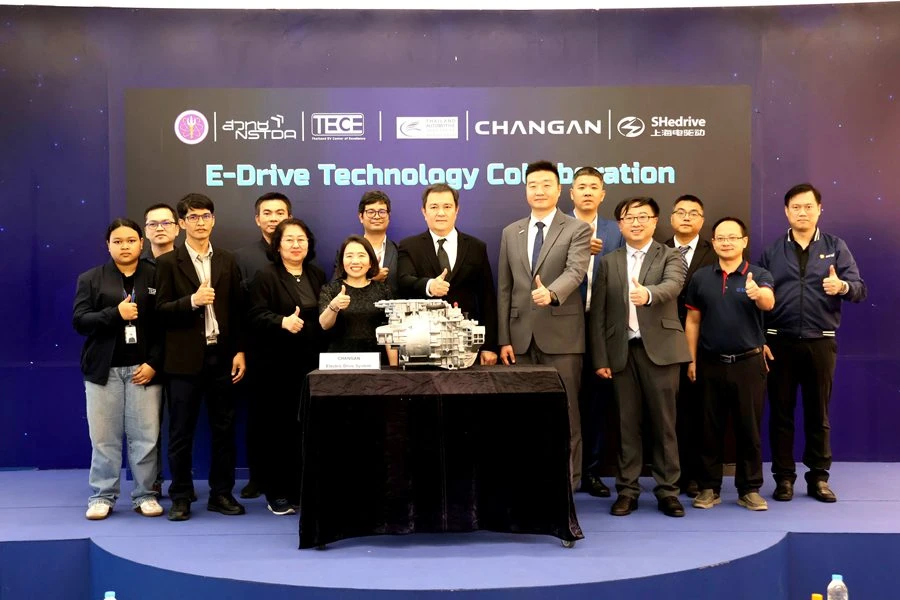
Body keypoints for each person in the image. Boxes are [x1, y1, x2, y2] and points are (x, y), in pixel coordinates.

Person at [760, 183, 866, 503]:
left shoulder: (836, 246)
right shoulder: (772, 251)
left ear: (819, 209)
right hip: (779, 342)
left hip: (821, 342)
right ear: (786, 212)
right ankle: (784, 478)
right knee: (781, 413)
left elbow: (860, 289)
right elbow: (759, 300)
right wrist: (760, 339)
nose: (802, 212)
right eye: (796, 207)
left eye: (808, 206)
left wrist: (842, 286)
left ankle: (819, 478)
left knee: (818, 413)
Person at [590, 197, 691, 518]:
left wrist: (648, 294)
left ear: (655, 221)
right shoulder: (609, 261)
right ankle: (627, 491)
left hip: (661, 352)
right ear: (619, 225)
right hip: (621, 353)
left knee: (665, 425)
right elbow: (599, 313)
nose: (636, 222)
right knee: (626, 425)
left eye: (642, 216)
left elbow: (673, 286)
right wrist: (601, 358)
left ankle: (668, 491)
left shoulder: (671, 255)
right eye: (629, 217)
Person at [497, 160, 592, 491]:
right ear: (526, 190)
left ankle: (568, 485)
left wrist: (551, 293)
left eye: (546, 184)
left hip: (562, 338)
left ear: (559, 190)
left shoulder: (577, 229)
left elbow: (576, 271)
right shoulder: (511, 232)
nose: (539, 190)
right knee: (524, 415)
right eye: (533, 185)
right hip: (520, 340)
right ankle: (529, 483)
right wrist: (504, 338)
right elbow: (505, 288)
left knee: (567, 414)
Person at [155, 193, 247, 521]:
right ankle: (180, 496)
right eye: (193, 217)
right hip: (183, 361)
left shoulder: (227, 259)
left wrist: (239, 350)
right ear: (181, 223)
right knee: (181, 432)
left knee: (224, 429)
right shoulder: (168, 263)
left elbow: (237, 309)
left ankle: (221, 494)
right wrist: (192, 301)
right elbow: (159, 311)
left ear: (213, 220)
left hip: (222, 356)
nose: (200, 222)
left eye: (205, 216)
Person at [73, 218, 163, 520]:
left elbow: (167, 326)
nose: (125, 246)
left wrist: (154, 363)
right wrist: (116, 313)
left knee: (146, 438)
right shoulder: (91, 278)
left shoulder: (156, 275)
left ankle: (146, 494)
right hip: (103, 371)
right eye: (118, 241)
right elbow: (80, 321)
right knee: (104, 438)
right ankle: (102, 496)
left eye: (131, 240)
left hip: (144, 369)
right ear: (108, 246)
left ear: (141, 243)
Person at [684, 217, 775, 511]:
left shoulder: (759, 274)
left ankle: (749, 489)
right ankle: (708, 487)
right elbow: (693, 320)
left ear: (744, 241)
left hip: (748, 363)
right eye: (721, 238)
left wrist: (757, 294)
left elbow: (768, 302)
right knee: (708, 427)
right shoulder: (701, 277)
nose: (727, 242)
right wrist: (691, 359)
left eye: (733, 237)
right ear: (713, 242)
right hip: (710, 362)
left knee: (749, 428)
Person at [248, 219, 326, 515]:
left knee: (302, 429)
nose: (296, 245)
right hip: (275, 365)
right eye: (289, 239)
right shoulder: (265, 276)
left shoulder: (317, 274)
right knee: (276, 429)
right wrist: (281, 321)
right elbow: (254, 315)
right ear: (277, 245)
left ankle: (298, 489)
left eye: (301, 239)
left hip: (309, 364)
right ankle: (276, 492)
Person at [569, 166, 625, 498]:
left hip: (602, 325)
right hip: (564, 325)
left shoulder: (615, 231)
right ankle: (565, 470)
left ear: (602, 195)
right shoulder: (559, 227)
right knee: (566, 402)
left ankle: (591, 471)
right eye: (581, 186)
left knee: (596, 404)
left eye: (594, 187)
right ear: (571, 193)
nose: (587, 192)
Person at [397, 183, 498, 364]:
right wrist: (429, 286)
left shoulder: (476, 247)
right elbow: (404, 280)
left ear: (456, 210)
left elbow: (487, 298)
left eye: (447, 206)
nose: (441, 213)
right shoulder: (409, 246)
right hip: (422, 343)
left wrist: (489, 345)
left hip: (467, 345)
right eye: (434, 207)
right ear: (424, 211)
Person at [233, 192, 292, 500]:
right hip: (257, 348)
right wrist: (240, 349)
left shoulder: (300, 254)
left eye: (280, 212)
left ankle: (289, 477)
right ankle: (257, 477)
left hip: (293, 350)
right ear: (257, 219)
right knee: (258, 416)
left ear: (289, 217)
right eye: (267, 213)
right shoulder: (242, 258)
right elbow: (235, 308)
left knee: (289, 417)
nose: (273, 218)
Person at [665, 194, 717, 498]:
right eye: (681, 212)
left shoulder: (715, 253)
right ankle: (674, 474)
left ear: (702, 220)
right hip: (663, 341)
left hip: (704, 341)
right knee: (672, 413)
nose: (686, 217)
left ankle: (697, 474)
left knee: (699, 411)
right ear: (671, 218)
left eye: (693, 213)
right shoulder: (657, 250)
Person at [141, 203, 180, 496]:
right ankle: (151, 482)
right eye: (153, 224)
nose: (160, 228)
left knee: (180, 426)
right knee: (148, 427)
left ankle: (181, 485)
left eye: (166, 223)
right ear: (145, 231)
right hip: (147, 360)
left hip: (182, 357)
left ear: (177, 228)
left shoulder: (188, 263)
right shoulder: (137, 269)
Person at [319, 235, 398, 366]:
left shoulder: (384, 290)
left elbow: (391, 331)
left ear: (371, 262)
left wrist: (394, 368)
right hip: (340, 362)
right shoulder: (330, 289)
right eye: (349, 256)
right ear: (342, 261)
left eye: (361, 255)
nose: (355, 261)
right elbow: (324, 324)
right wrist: (334, 306)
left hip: (376, 362)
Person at [339, 190, 400, 298]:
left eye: (382, 212)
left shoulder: (399, 251)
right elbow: (336, 287)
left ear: (388, 216)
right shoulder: (346, 251)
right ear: (361, 217)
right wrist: (370, 279)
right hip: (357, 307)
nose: (377, 216)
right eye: (371, 212)